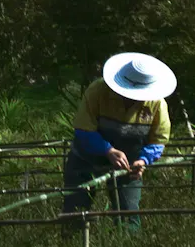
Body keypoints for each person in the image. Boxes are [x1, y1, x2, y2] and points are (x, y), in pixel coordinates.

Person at [66, 50, 174, 228]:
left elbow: (158, 140)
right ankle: (72, 241)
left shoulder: (157, 104)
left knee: (128, 217)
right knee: (75, 212)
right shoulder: (98, 91)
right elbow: (83, 129)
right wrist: (107, 150)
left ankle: (127, 244)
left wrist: (143, 160)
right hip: (85, 160)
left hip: (128, 166)